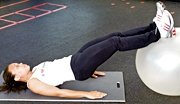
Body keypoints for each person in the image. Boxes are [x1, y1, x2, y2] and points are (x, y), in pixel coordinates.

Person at [0, 2, 176, 99]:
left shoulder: (36, 69)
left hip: (77, 59)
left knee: (113, 35)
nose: (20, 63)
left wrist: (90, 67)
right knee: (115, 42)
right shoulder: (33, 83)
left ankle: (153, 26)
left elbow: (55, 77)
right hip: (78, 67)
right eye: (16, 66)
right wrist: (87, 94)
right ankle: (158, 33)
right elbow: (58, 92)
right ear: (16, 77)